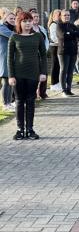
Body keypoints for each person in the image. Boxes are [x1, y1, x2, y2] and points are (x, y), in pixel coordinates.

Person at [8, 11, 47, 140]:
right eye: (24, 21)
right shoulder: (14, 37)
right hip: (18, 74)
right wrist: (11, 76)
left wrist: (43, 72)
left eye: (29, 21)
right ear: (19, 22)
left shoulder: (38, 37)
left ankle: (30, 129)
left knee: (31, 101)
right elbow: (9, 58)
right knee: (19, 101)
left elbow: (43, 56)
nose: (27, 23)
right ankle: (20, 130)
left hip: (33, 74)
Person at [56, 9, 79, 97]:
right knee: (64, 70)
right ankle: (63, 90)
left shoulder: (72, 25)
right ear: (61, 16)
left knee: (70, 71)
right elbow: (62, 36)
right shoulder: (59, 25)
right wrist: (72, 34)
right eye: (65, 15)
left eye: (68, 15)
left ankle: (69, 89)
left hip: (73, 51)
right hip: (63, 51)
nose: (67, 17)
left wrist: (71, 33)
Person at [31, 10, 50, 99]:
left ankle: (42, 93)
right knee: (34, 74)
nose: (36, 18)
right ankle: (33, 93)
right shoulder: (28, 29)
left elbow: (46, 40)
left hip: (42, 53)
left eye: (37, 17)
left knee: (44, 73)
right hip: (33, 54)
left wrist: (45, 49)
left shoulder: (41, 28)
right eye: (34, 17)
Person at [0, 9, 16, 111]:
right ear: (5, 18)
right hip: (4, 56)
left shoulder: (12, 28)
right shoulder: (1, 27)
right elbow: (13, 36)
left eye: (14, 18)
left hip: (11, 57)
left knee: (11, 80)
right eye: (11, 18)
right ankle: (5, 103)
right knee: (6, 79)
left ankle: (9, 102)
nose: (13, 20)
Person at [47, 9, 61, 93]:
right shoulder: (53, 24)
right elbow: (53, 37)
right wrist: (61, 42)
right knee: (55, 65)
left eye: (60, 14)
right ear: (53, 16)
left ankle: (57, 82)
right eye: (57, 14)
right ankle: (53, 84)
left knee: (58, 65)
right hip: (54, 47)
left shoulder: (59, 24)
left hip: (58, 46)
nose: (59, 16)